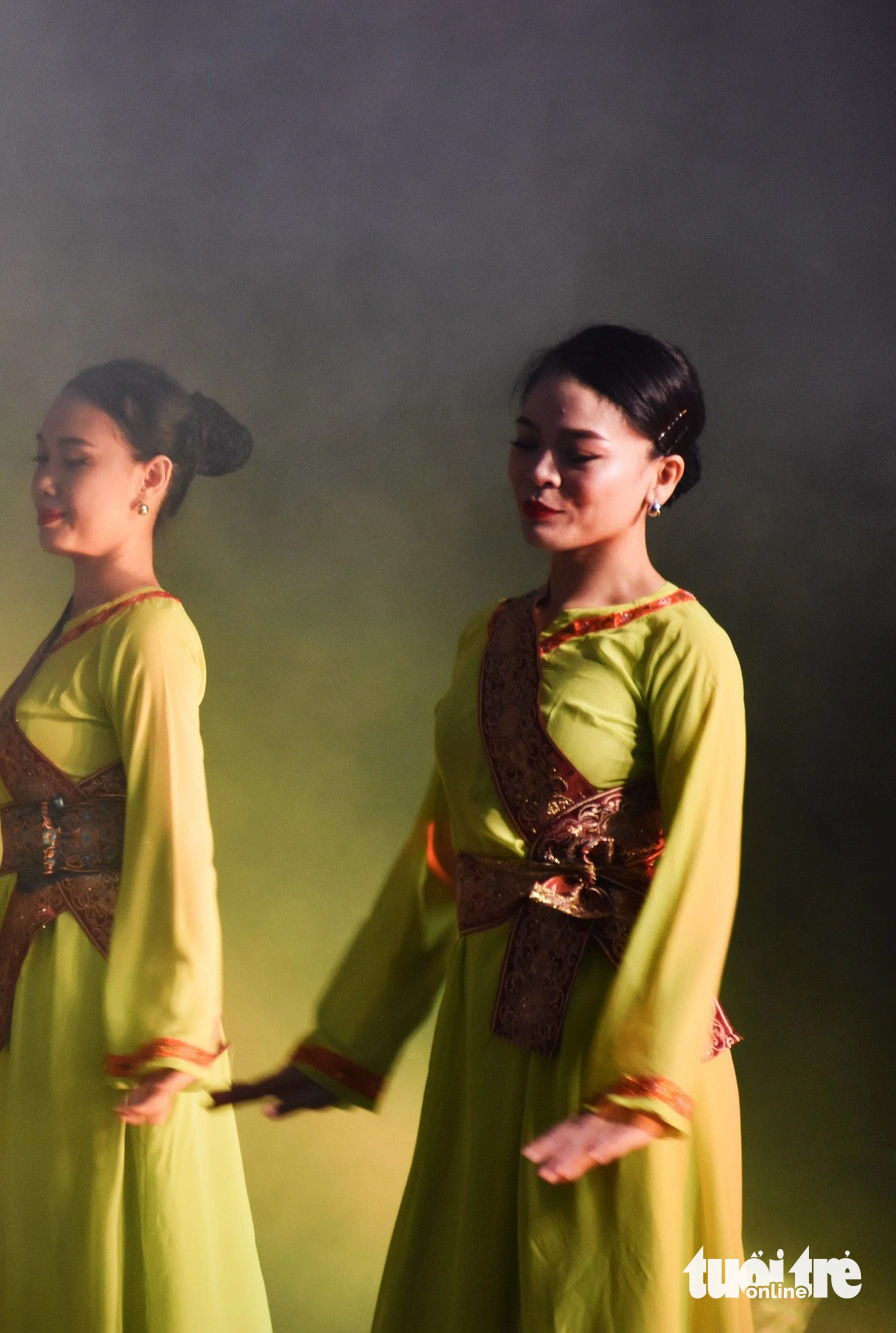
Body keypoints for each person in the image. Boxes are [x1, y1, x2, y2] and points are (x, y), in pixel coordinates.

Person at [223, 325, 748, 1332]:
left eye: (576, 452)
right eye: (524, 442)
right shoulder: (488, 636)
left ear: (661, 476)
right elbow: (440, 859)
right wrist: (346, 1042)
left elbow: (700, 872)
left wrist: (635, 1088)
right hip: (489, 1029)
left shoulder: (685, 648)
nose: (539, 472)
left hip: (617, 1044)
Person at [0, 361, 272, 1332]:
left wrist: (172, 1030)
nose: (44, 480)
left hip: (106, 988)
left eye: (74, 459)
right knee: (28, 1239)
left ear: (150, 478)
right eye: (39, 457)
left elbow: (178, 836)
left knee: (100, 1242)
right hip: (31, 976)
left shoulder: (150, 634)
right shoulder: (77, 629)